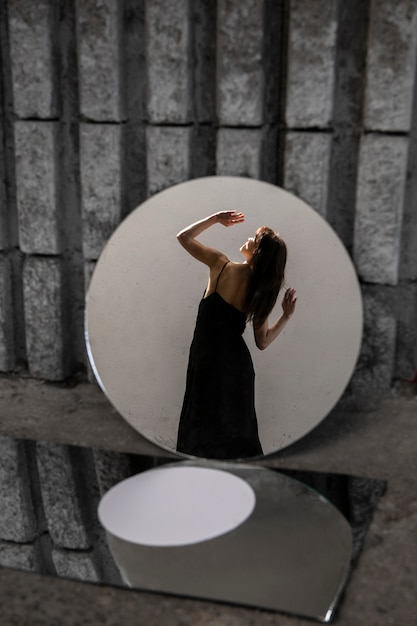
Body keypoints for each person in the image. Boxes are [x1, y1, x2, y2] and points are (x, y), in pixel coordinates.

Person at [176, 210, 297, 460]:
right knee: (237, 439)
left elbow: (184, 237)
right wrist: (285, 316)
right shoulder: (259, 291)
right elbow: (262, 342)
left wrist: (214, 219)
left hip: (207, 363)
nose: (249, 240)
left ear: (259, 253)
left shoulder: (220, 265)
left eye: (255, 239)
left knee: (199, 432)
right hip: (236, 369)